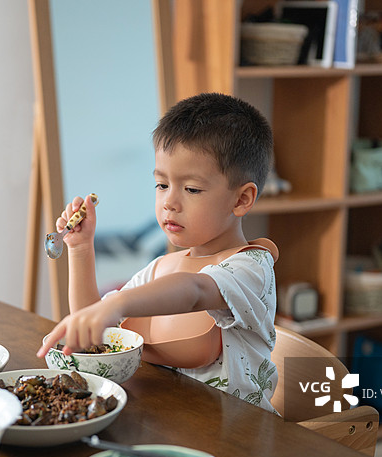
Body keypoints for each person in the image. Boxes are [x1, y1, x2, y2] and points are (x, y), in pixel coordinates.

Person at [36, 92, 279, 412]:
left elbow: (195, 290)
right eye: (162, 185)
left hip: (236, 437)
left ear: (241, 199)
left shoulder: (251, 269)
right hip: (165, 424)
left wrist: (120, 301)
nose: (169, 202)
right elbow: (96, 331)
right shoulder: (160, 269)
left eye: (191, 189)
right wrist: (81, 250)